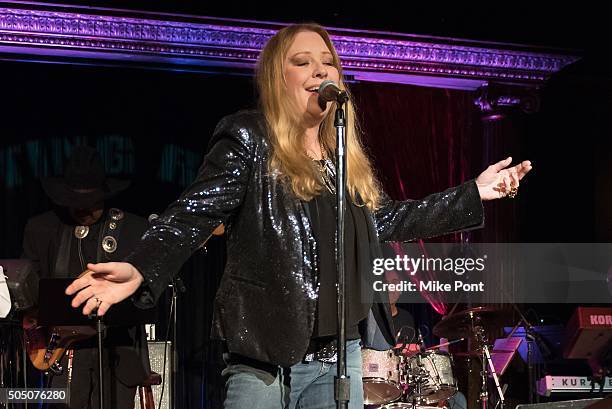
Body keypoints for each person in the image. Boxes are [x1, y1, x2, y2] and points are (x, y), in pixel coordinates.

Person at [65, 24, 532, 409]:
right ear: (277, 77)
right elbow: (196, 211)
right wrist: (142, 265)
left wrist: (473, 192)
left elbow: (389, 220)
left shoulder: (342, 159)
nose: (319, 70)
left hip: (339, 361)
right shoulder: (249, 138)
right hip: (263, 360)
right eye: (302, 61)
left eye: (327, 61)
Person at [22, 146, 151, 409]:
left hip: (117, 352)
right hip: (64, 353)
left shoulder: (134, 229)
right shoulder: (42, 229)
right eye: (75, 200)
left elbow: (148, 293)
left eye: (90, 201)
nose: (82, 208)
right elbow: (26, 287)